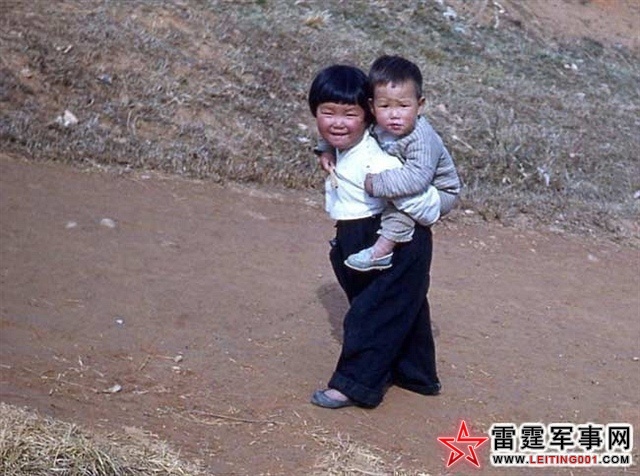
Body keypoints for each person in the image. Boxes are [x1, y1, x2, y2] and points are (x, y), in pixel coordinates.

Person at [308, 64, 441, 409]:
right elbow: (330, 140)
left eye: (350, 114)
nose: (338, 123)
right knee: (402, 307)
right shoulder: (342, 147)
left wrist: (429, 209)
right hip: (356, 234)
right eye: (327, 113)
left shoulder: (379, 161)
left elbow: (420, 204)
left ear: (367, 115)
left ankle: (354, 384)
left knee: (372, 313)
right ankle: (415, 374)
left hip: (396, 239)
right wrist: (325, 149)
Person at [318, 55, 461, 272]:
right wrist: (327, 149)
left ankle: (382, 250)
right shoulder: (379, 121)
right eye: (384, 106)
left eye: (404, 106)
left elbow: (417, 177)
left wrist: (378, 183)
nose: (394, 115)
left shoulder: (421, 138)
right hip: (404, 176)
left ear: (420, 105)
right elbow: (346, 130)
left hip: (439, 191)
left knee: (402, 205)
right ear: (372, 106)